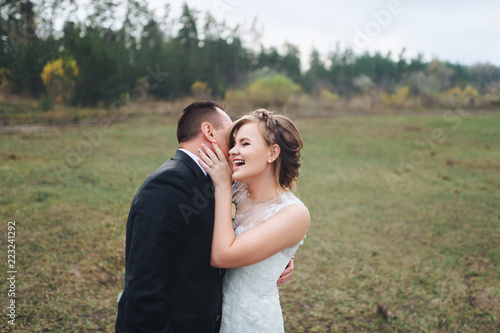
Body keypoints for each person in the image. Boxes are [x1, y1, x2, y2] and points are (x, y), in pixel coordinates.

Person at [115, 102, 294, 333]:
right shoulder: (169, 185)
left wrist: (276, 255)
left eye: (242, 142)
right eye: (232, 138)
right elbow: (144, 286)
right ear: (209, 132)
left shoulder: (217, 181)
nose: (232, 149)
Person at [198, 109, 310, 332]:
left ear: (272, 153)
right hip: (211, 317)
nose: (232, 151)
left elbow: (222, 255)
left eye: (244, 143)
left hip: (252, 322)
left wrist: (222, 187)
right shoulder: (237, 190)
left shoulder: (294, 213)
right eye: (233, 143)